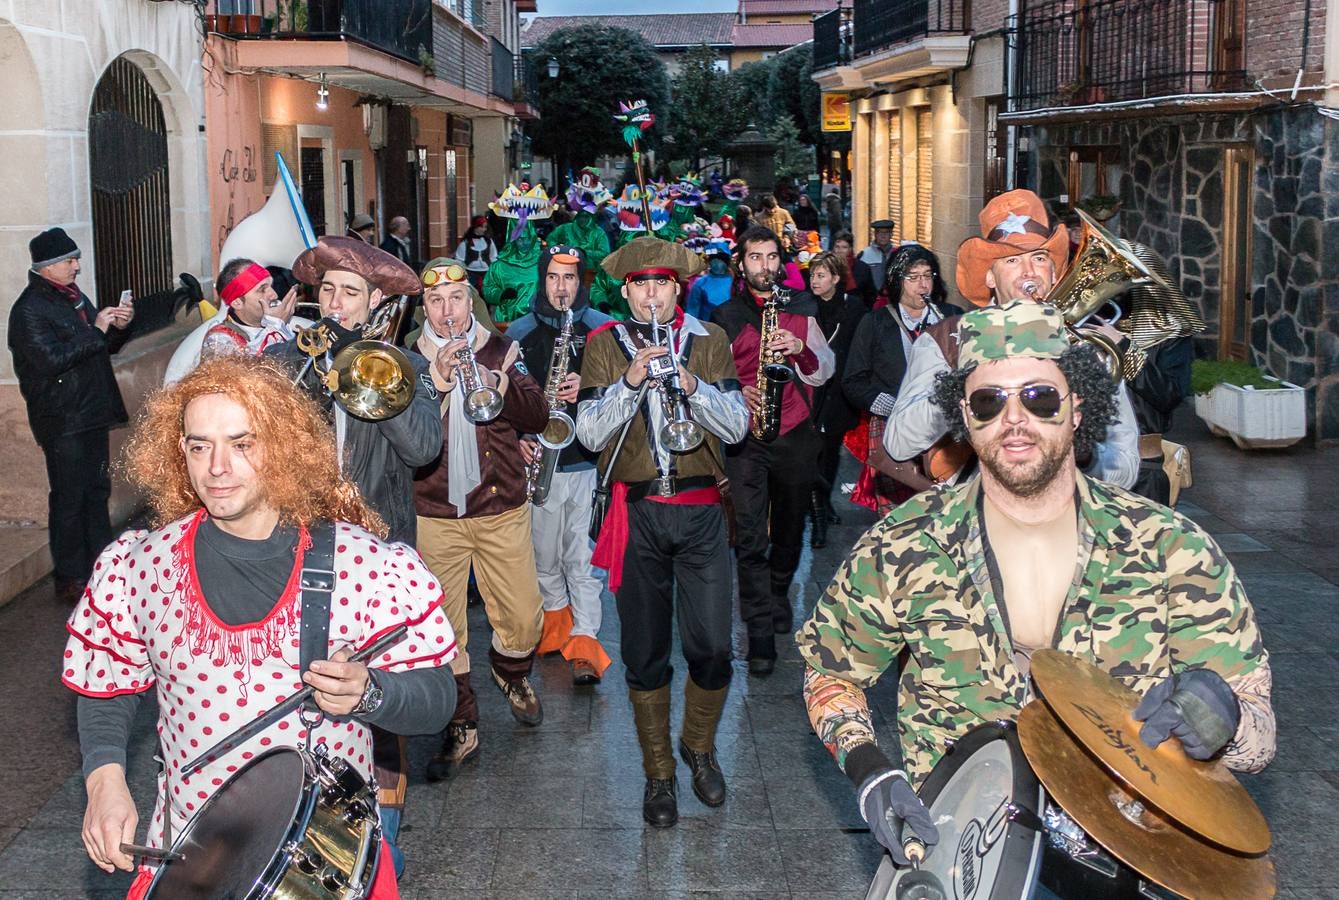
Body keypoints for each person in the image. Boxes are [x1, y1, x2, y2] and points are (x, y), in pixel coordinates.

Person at [796, 302, 1275, 877]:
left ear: (1077, 408)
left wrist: (1225, 720)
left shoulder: (1171, 550)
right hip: (963, 854)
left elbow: (1259, 738)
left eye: (1039, 397)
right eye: (989, 401)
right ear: (966, 420)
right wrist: (869, 767)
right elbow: (832, 670)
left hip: (1135, 860)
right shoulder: (905, 543)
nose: (1014, 419)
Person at [67, 356, 458, 897]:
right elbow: (106, 683)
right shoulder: (142, 566)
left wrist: (372, 693)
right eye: (199, 445)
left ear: (281, 446)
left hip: (326, 860)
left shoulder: (363, 565)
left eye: (241, 443)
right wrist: (104, 779)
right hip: (192, 856)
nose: (216, 467)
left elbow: (438, 699)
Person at [576, 235, 750, 827]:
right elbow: (590, 436)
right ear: (627, 291)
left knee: (712, 649)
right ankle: (658, 776)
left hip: (701, 512)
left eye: (663, 285)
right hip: (638, 513)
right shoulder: (603, 346)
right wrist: (629, 383)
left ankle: (698, 746)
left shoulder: (710, 340)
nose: (652, 295)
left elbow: (737, 429)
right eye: (640, 285)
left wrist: (693, 387)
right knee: (645, 654)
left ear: (679, 289)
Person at [884, 189, 1140, 490]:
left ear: (1055, 272)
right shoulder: (946, 341)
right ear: (990, 277)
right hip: (977, 522)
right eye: (1012, 260)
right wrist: (962, 376)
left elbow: (1126, 465)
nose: (1029, 271)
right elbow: (899, 444)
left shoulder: (1088, 348)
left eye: (1039, 257)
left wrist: (1081, 456)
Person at [410, 259, 549, 778]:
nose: (447, 312)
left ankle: (509, 670)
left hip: (500, 505)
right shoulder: (407, 360)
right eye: (436, 302)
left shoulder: (501, 347)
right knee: (442, 629)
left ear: (472, 302)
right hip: (435, 510)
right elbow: (403, 431)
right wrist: (437, 383)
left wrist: (499, 380)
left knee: (523, 617)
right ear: (425, 307)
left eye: (456, 300)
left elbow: (537, 415)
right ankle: (462, 721)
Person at [711, 226, 835, 675]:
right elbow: (709, 374)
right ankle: (759, 634)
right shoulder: (725, 314)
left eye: (771, 257)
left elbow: (823, 371)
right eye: (755, 257)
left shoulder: (802, 306)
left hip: (796, 430)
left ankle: (780, 587)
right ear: (741, 265)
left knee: (788, 527)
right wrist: (733, 391)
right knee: (748, 536)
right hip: (746, 436)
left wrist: (801, 347)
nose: (764, 265)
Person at [507, 246, 614, 686]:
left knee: (583, 560)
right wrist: (517, 439)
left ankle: (586, 641)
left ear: (581, 282)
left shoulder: (604, 330)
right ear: (542, 279)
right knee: (543, 558)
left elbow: (619, 394)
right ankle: (556, 623)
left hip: (586, 462)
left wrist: (587, 386)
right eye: (553, 278)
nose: (561, 288)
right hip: (540, 463)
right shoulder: (518, 331)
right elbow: (503, 398)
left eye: (569, 279)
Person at [8, 227, 133, 603]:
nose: (77, 266)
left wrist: (119, 328)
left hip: (91, 411)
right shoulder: (29, 309)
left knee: (96, 492)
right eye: (69, 260)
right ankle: (70, 577)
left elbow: (99, 347)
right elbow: (49, 360)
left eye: (75, 258)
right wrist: (96, 330)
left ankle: (101, 567)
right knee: (69, 497)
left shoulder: (73, 298)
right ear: (46, 267)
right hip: (61, 419)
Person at [844, 246, 963, 508]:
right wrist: (888, 405)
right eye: (913, 277)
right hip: (892, 427)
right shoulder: (874, 323)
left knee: (946, 512)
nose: (923, 285)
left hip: (945, 431)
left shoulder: (953, 316)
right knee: (900, 519)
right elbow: (853, 380)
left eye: (927, 276)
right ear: (897, 282)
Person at [805, 251, 865, 548]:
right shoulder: (805, 307)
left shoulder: (853, 308)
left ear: (836, 278)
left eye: (821, 275)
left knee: (830, 452)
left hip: (839, 391)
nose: (814, 280)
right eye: (813, 275)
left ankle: (824, 501)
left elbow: (860, 350)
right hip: (810, 390)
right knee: (812, 450)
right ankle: (817, 513)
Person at [683, 240, 734, 322]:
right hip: (707, 330)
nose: (716, 263)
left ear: (727, 262)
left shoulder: (737, 283)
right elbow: (692, 312)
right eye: (713, 259)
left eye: (720, 259)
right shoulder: (700, 283)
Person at [852, 219, 896, 307]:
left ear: (891, 234)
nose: (883, 236)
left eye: (886, 233)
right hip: (870, 302)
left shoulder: (897, 254)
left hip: (892, 301)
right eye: (880, 233)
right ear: (875, 234)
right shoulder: (864, 255)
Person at [455, 215, 498, 293]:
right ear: (476, 227)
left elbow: (493, 257)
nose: (484, 229)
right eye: (482, 227)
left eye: (485, 227)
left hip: (486, 273)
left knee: (486, 294)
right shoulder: (466, 242)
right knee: (472, 295)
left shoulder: (488, 241)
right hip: (471, 274)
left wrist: (493, 271)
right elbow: (459, 260)